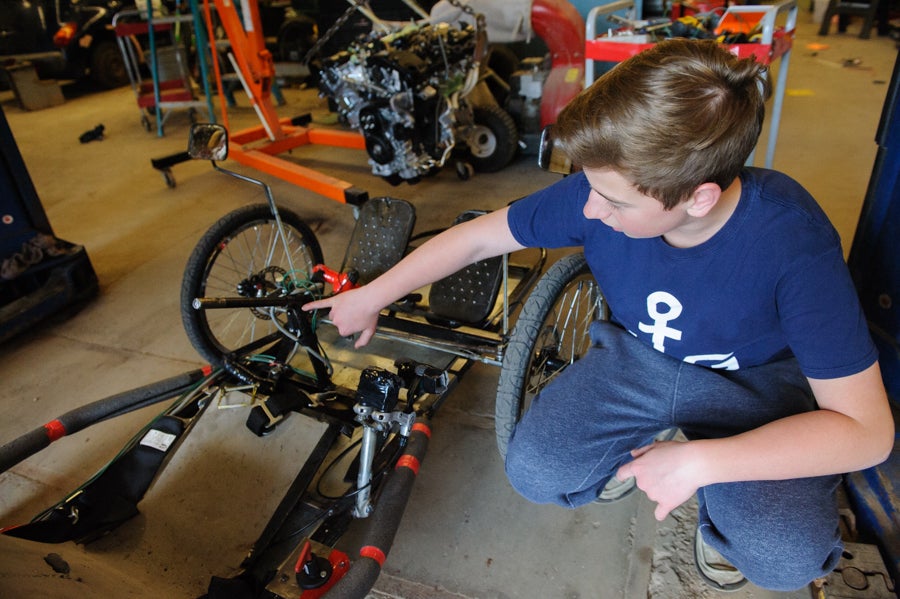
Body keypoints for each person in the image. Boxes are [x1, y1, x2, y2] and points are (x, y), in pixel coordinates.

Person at [304, 38, 893, 591]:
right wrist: (373, 293)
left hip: (755, 384)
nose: (587, 210)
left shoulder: (791, 241)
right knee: (535, 473)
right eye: (588, 187)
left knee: (783, 558)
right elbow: (478, 239)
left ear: (698, 198)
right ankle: (669, 452)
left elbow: (868, 432)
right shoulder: (606, 186)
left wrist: (704, 460)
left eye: (613, 201)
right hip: (636, 360)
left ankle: (718, 512)